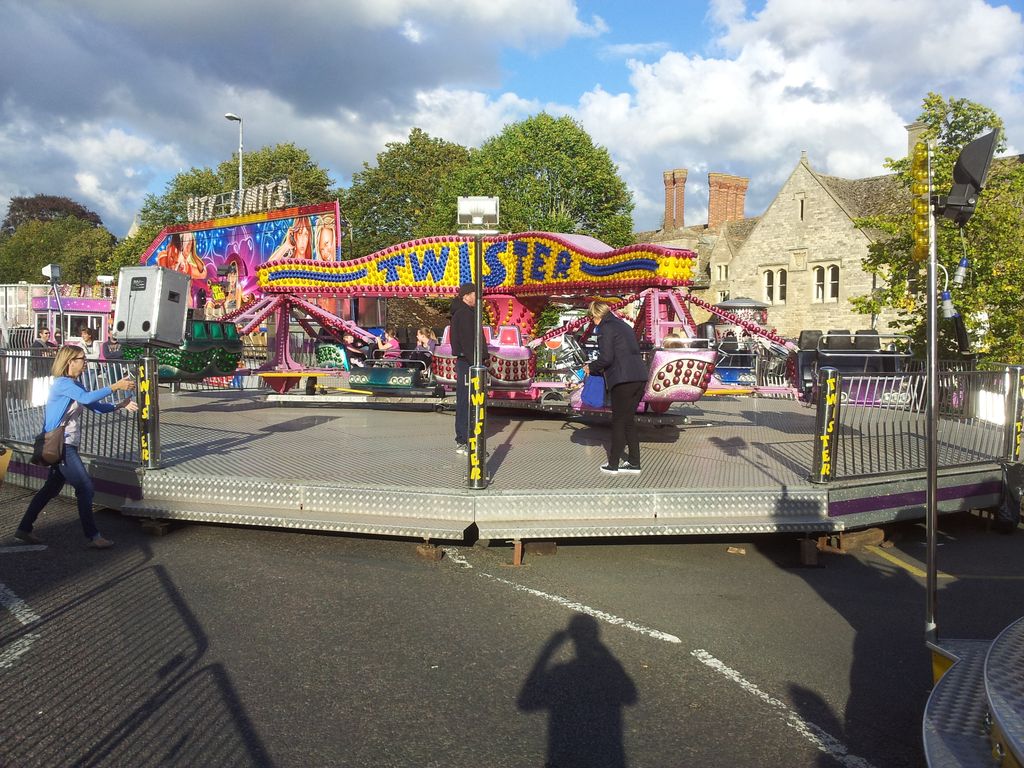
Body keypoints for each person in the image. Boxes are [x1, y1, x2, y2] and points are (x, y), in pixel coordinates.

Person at [14, 345, 138, 549]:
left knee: (50, 489)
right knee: (85, 487)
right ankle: (93, 536)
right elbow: (88, 398)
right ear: (70, 361)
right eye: (82, 359)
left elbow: (95, 407)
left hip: (66, 443)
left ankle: (24, 528)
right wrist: (115, 386)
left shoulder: (74, 384)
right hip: (62, 445)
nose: (85, 363)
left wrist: (119, 405)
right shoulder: (63, 384)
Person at [583, 300, 649, 475]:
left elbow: (606, 358)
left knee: (619, 422)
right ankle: (635, 463)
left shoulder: (605, 328)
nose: (592, 322)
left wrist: (591, 367)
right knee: (628, 421)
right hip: (639, 377)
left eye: (592, 318)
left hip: (622, 379)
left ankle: (613, 465)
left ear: (596, 315)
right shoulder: (623, 325)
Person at [450, 283, 480, 455]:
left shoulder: (462, 313)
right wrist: (478, 360)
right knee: (467, 400)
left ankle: (466, 437)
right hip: (468, 362)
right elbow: (469, 342)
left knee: (467, 399)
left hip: (466, 361)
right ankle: (464, 438)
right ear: (466, 295)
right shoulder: (465, 315)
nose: (477, 298)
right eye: (475, 294)